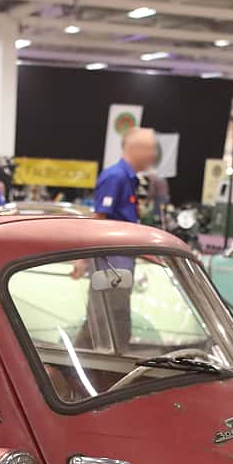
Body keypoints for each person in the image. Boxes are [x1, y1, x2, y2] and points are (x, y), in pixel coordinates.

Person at [78, 127, 160, 349]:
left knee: (117, 319)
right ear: (137, 149)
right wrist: (84, 259)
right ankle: (72, 370)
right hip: (110, 264)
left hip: (120, 264)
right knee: (102, 319)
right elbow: (99, 219)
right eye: (151, 149)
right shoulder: (115, 177)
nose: (154, 154)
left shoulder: (129, 179)